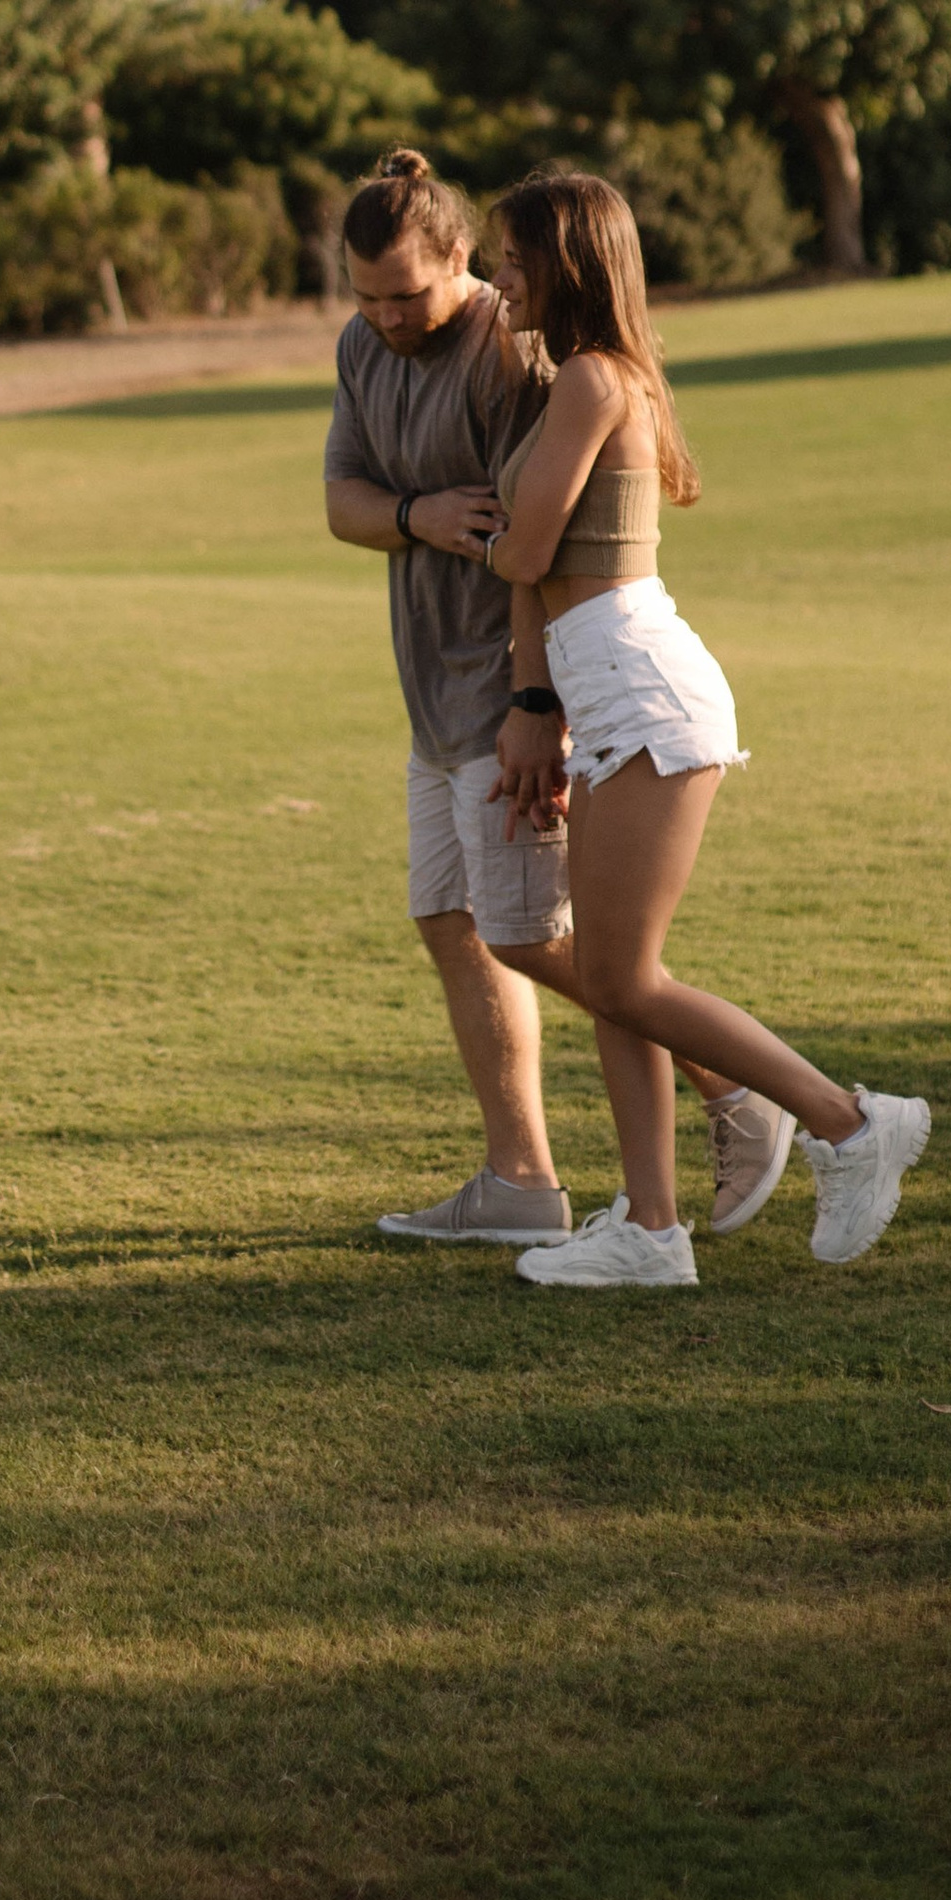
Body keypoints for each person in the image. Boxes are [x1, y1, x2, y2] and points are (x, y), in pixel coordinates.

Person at [484, 161, 932, 1289]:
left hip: (642, 691)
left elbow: (527, 556)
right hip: (607, 692)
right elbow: (534, 570)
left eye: (513, 256)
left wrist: (468, 528)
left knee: (624, 977)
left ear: (566, 262)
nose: (498, 276)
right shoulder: (579, 375)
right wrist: (535, 692)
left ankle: (847, 1122)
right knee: (608, 966)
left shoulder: (589, 378)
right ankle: (650, 1229)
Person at [322, 147, 580, 1250]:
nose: (384, 317)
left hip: (506, 693)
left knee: (536, 937)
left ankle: (732, 1085)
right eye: (366, 296)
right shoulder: (358, 346)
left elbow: (549, 545)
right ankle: (519, 1180)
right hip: (429, 699)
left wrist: (542, 702)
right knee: (450, 921)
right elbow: (341, 502)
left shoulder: (509, 353)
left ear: (459, 258)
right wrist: (415, 513)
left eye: (406, 295)